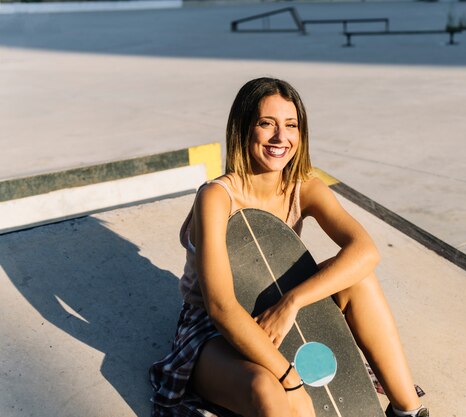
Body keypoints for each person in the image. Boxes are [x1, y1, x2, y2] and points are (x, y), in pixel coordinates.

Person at [149, 77, 428, 417]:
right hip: (214, 330)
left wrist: (291, 303)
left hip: (279, 306)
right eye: (267, 124)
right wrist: (290, 380)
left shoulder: (303, 185)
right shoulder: (216, 197)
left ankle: (408, 411)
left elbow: (365, 251)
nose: (281, 138)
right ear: (243, 129)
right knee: (269, 391)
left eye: (291, 125)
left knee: (360, 279)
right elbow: (221, 307)